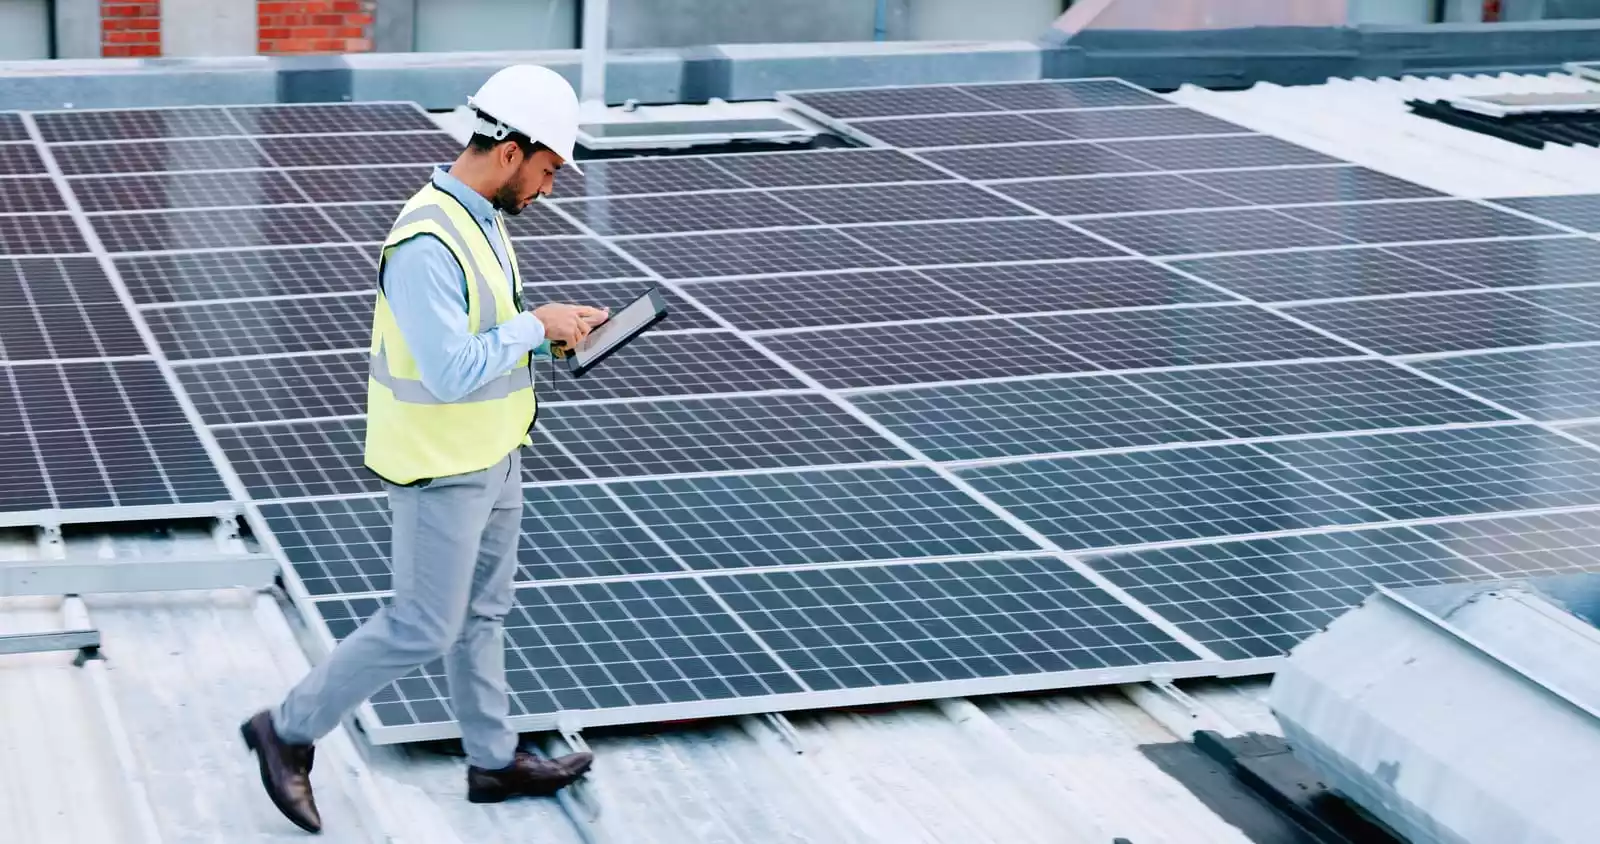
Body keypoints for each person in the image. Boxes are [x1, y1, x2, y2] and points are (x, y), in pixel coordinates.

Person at [240, 64, 607, 834]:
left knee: (484, 614)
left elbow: (487, 343)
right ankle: (287, 729)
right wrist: (533, 326)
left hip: (495, 452)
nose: (548, 188)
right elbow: (446, 373)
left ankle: (493, 760)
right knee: (421, 624)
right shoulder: (426, 240)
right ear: (510, 152)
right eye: (547, 170)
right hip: (439, 467)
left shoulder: (483, 219)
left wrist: (552, 339)